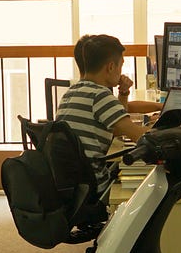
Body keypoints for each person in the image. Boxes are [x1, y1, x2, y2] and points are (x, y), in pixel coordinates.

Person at [56, 34, 160, 168]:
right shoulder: (100, 95)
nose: (121, 72)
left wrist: (123, 93)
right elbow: (140, 137)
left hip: (73, 176)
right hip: (95, 176)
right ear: (110, 67)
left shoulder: (70, 92)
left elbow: (117, 130)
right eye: (121, 65)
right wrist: (163, 128)